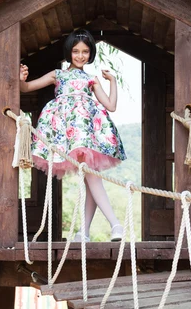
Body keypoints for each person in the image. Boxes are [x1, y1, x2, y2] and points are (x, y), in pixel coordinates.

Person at [19, 29, 126, 242]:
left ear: (90, 53)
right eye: (76, 51)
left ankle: (106, 227)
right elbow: (27, 87)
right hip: (68, 132)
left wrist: (113, 81)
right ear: (69, 52)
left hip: (87, 132)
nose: (80, 56)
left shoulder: (91, 79)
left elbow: (111, 106)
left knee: (90, 177)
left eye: (85, 52)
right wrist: (21, 79)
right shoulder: (57, 75)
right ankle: (99, 228)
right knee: (90, 177)